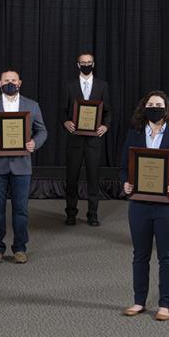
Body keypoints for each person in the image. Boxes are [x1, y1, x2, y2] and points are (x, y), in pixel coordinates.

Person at [121, 91, 169, 321]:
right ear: (144, 108)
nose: (154, 107)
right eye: (150, 104)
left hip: (167, 206)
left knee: (167, 255)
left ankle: (165, 304)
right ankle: (138, 301)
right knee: (140, 255)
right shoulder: (134, 133)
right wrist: (125, 183)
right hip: (139, 205)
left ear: (167, 108)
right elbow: (124, 166)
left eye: (158, 104)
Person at [0, 69, 48, 264]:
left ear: (20, 82)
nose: (10, 83)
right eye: (6, 80)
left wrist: (35, 143)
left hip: (22, 166)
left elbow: (42, 132)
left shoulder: (32, 106)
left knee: (21, 209)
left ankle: (20, 248)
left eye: (13, 80)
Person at [61, 51, 111, 226]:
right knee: (72, 177)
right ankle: (71, 213)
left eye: (89, 62)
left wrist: (105, 126)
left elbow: (108, 111)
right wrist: (66, 122)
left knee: (93, 177)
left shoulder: (102, 85)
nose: (86, 64)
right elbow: (62, 111)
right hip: (74, 139)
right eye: (83, 62)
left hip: (93, 140)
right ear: (78, 65)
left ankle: (93, 214)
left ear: (94, 64)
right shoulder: (69, 85)